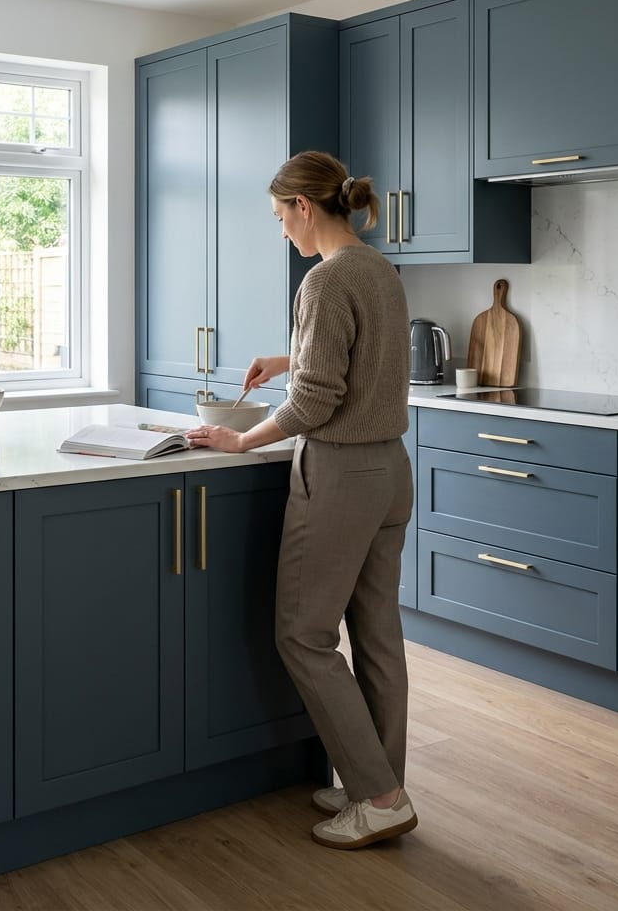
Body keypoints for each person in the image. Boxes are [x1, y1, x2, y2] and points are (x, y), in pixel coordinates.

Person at [186, 150, 415, 850]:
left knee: (303, 635)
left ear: (305, 208)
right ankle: (380, 783)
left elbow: (317, 401)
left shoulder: (323, 280)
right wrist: (290, 355)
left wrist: (242, 441)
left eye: (280, 216)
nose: (281, 229)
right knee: (375, 633)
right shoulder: (379, 270)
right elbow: (363, 357)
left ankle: (377, 796)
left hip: (341, 474)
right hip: (390, 472)